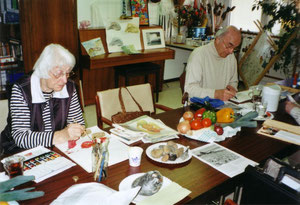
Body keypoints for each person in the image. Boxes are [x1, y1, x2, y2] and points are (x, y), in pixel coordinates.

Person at [1, 44, 85, 154]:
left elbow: (78, 123)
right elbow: (21, 137)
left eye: (67, 73)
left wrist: (76, 130)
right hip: (20, 151)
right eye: (59, 74)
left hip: (56, 148)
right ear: (44, 70)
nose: (65, 80)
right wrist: (61, 135)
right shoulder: (21, 89)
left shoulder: (69, 88)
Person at [184, 26, 241, 101]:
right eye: (229, 46)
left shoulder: (231, 57)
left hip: (222, 104)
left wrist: (232, 89)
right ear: (217, 40)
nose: (231, 51)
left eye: (235, 48)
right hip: (199, 105)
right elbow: (189, 90)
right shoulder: (199, 55)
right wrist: (215, 94)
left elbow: (233, 81)